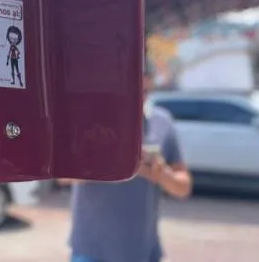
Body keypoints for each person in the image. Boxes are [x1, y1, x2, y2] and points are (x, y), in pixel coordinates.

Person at [66, 60, 192, 262]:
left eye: (144, 92)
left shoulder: (162, 122)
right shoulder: (90, 121)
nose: (138, 99)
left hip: (142, 250)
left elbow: (183, 187)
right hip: (91, 249)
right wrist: (105, 161)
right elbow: (63, 177)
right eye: (132, 91)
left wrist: (162, 175)